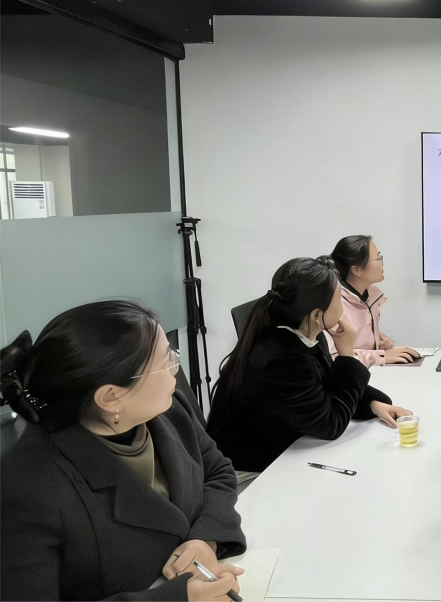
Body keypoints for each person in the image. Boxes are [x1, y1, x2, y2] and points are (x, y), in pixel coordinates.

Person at [0, 301, 246, 602]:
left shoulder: (171, 412)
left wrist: (206, 539)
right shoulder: (28, 489)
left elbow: (218, 472)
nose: (175, 366)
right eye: (166, 361)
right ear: (110, 397)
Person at [206, 257, 411, 475]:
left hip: (283, 448)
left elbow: (328, 387)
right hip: (247, 472)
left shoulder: (306, 333)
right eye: (339, 298)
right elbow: (331, 424)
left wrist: (372, 404)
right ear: (316, 315)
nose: (342, 305)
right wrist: (347, 354)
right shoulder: (281, 360)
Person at [318, 235, 419, 366]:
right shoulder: (334, 304)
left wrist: (375, 340)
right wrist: (380, 356)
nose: (382, 262)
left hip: (367, 372)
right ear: (357, 269)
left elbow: (355, 340)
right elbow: (332, 358)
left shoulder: (372, 296)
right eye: (378, 258)